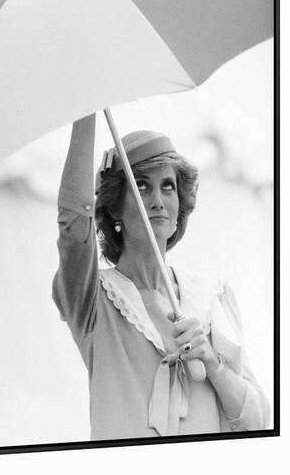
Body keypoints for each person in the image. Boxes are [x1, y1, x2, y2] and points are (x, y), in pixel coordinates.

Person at [52, 114, 269, 440]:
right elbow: (72, 225)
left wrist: (212, 363)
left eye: (167, 186)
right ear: (114, 208)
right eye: (140, 186)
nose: (156, 200)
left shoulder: (212, 296)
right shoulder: (93, 298)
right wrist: (85, 111)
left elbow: (258, 420)